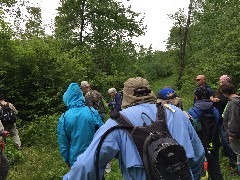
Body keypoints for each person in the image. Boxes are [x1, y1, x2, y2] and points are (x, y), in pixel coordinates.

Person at [63, 77, 205, 180]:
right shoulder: (176, 112)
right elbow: (198, 154)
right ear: (150, 92)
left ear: (126, 95)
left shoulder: (116, 123)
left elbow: (86, 166)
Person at [57, 83, 103, 168]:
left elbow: (63, 143)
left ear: (67, 98)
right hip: (95, 158)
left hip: (76, 161)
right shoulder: (92, 112)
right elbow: (103, 134)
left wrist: (67, 160)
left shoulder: (64, 118)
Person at [188, 86, 223, 180]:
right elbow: (218, 122)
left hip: (200, 143)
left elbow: (190, 128)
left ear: (196, 97)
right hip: (213, 140)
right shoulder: (214, 110)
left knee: (201, 167)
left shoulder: (192, 111)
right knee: (215, 164)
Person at [214, 75, 237, 169]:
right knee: (225, 143)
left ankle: (234, 164)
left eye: (222, 82)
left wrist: (232, 133)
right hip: (223, 122)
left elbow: (233, 118)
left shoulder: (232, 101)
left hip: (228, 126)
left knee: (228, 143)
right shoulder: (221, 93)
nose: (220, 84)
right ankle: (232, 162)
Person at [220, 82, 240, 176]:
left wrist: (232, 134)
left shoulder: (233, 103)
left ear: (225, 93)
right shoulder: (237, 100)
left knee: (239, 153)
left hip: (236, 135)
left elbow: (233, 120)